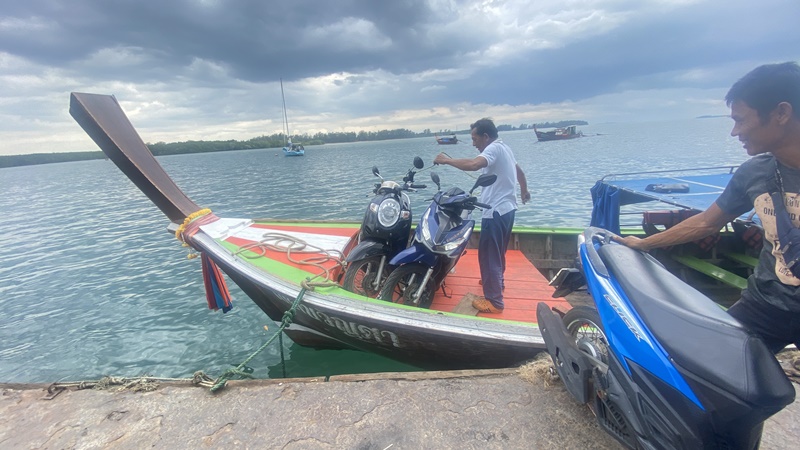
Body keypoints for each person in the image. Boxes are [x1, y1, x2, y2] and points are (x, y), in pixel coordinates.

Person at [616, 61, 800, 353]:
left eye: (740, 120)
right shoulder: (754, 173)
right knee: (712, 365)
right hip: (765, 305)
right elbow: (707, 222)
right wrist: (644, 244)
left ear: (781, 113)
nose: (734, 132)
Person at [433, 118, 531, 313]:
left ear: (486, 137)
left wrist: (446, 160)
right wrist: (524, 190)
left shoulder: (493, 149)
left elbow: (474, 164)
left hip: (495, 211)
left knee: (488, 256)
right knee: (497, 253)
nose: (473, 143)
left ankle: (494, 301)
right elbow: (518, 171)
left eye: (474, 138)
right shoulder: (504, 148)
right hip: (508, 209)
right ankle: (497, 282)